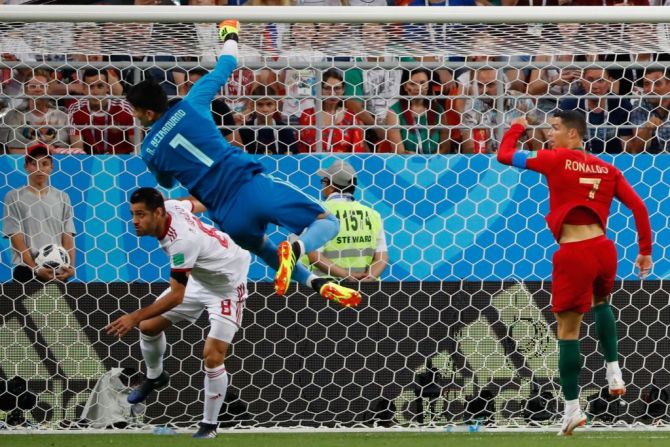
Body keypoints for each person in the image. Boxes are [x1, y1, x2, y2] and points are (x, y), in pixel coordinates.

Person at [125, 21, 360, 308]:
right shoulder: (194, 101)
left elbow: (167, 183)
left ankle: (315, 282)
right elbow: (227, 63)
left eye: (135, 111)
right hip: (250, 187)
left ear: (148, 112)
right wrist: (230, 32)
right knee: (328, 221)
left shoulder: (148, 150)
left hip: (226, 214)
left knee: (263, 249)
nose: (135, 116)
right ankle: (298, 247)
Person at [496, 111, 653, 436]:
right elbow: (639, 207)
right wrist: (645, 251)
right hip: (604, 250)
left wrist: (517, 127)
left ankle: (571, 411)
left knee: (567, 333)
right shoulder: (607, 168)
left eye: (554, 129)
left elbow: (504, 155)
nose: (549, 134)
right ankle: (614, 372)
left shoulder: (557, 159)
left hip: (575, 253)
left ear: (573, 133)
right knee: (602, 304)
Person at [106, 187, 250, 439]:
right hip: (199, 277)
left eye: (140, 214)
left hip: (226, 286)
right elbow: (197, 202)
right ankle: (155, 376)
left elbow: (176, 296)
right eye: (132, 214)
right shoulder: (172, 206)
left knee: (212, 355)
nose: (135, 221)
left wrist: (133, 316)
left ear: (158, 212)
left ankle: (208, 426)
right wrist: (217, 197)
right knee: (149, 327)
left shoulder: (181, 241)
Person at [2, 143, 76, 283]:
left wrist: (70, 266)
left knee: (56, 306)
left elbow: (68, 235)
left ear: (51, 167)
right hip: (26, 270)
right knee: (37, 306)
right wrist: (35, 268)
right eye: (33, 164)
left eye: (44, 164)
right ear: (26, 167)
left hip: (57, 270)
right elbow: (15, 237)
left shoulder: (62, 197)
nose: (39, 169)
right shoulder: (13, 197)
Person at [307, 160, 388, 281]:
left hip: (326, 289)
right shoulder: (373, 214)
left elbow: (314, 256)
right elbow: (381, 258)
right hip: (365, 290)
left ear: (331, 186)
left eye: (324, 181)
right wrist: (368, 277)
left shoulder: (320, 213)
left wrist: (347, 275)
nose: (323, 186)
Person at [68, 68, 136, 154]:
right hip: (90, 160)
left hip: (122, 160)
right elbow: (78, 151)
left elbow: (137, 147)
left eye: (100, 86)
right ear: (84, 89)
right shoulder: (76, 109)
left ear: (107, 87)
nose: (95, 92)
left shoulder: (125, 108)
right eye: (90, 87)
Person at [298, 69, 365, 153]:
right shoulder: (307, 115)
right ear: (320, 89)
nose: (332, 93)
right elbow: (301, 148)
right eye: (327, 88)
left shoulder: (351, 117)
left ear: (343, 90)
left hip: (342, 164)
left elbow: (357, 151)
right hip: (313, 164)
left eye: (337, 88)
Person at [238, 85, 298, 155]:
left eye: (269, 104)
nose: (265, 109)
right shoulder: (244, 130)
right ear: (252, 105)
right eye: (260, 105)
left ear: (276, 105)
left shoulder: (285, 130)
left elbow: (293, 158)